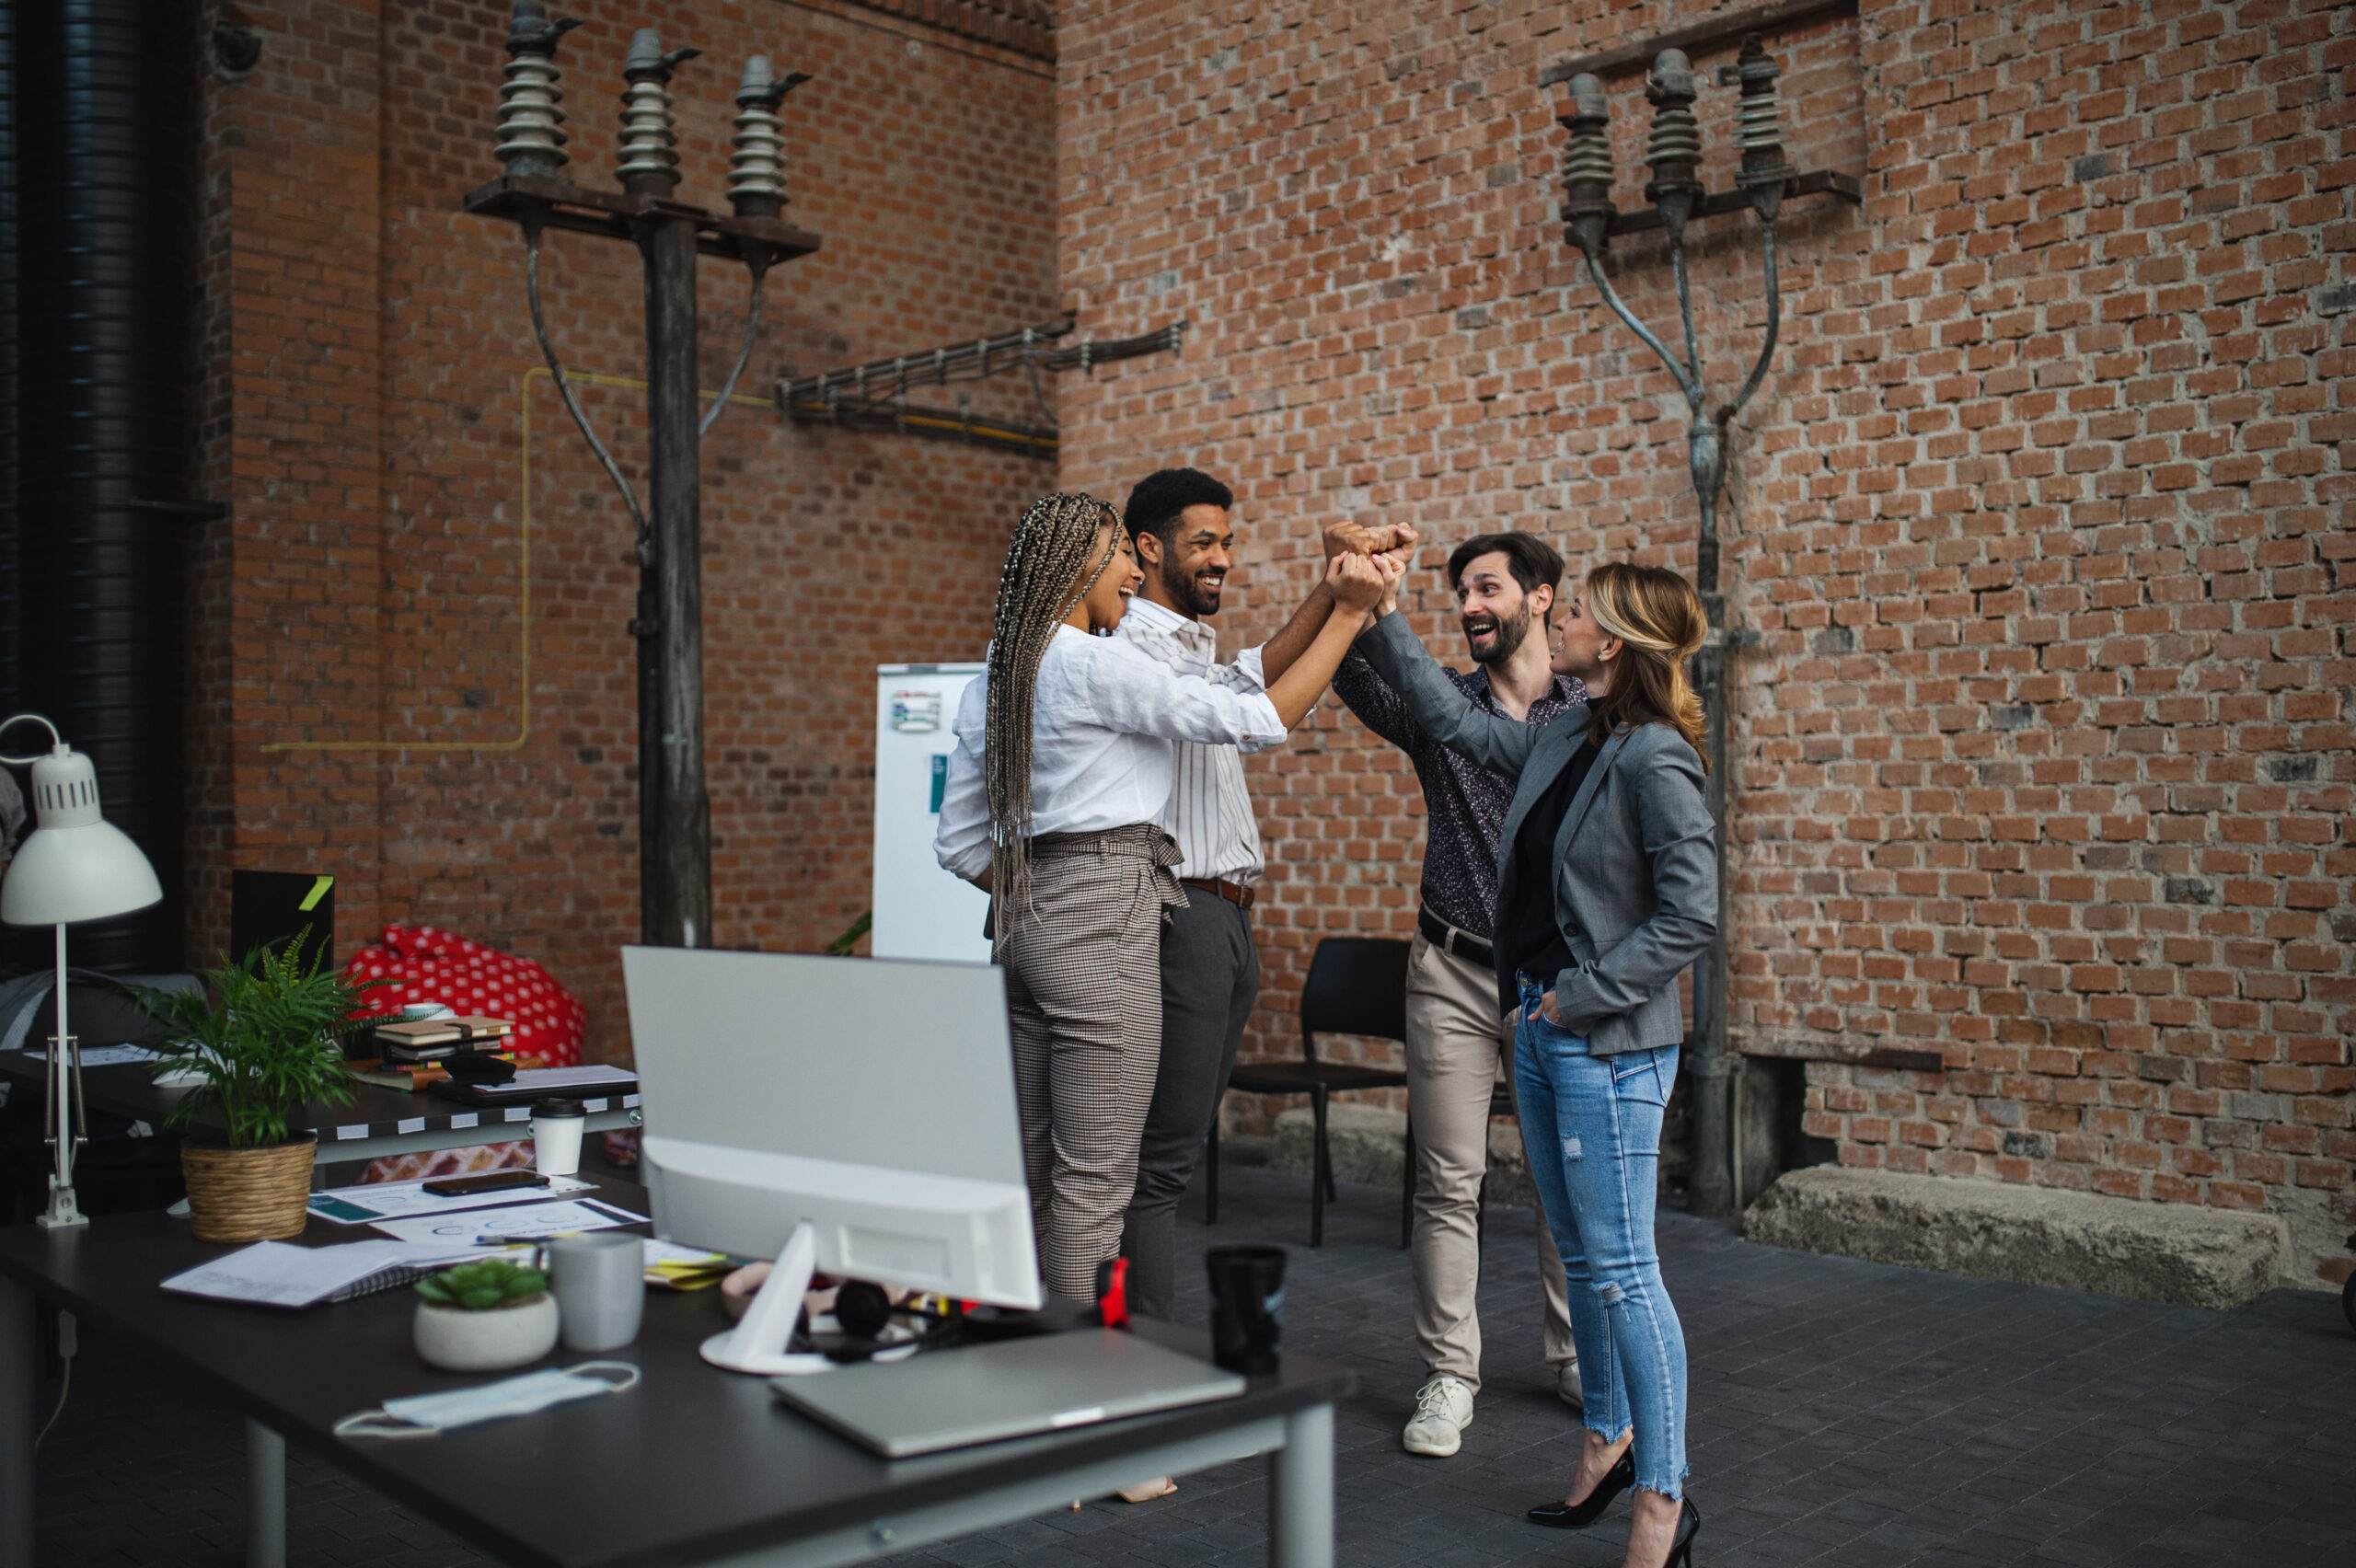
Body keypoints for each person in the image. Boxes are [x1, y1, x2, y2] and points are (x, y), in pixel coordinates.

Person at [934, 491, 1392, 1311]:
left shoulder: (997, 676)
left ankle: (1037, 1362)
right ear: (1081, 563)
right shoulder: (1091, 662)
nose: (1133, 574)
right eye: (1121, 556)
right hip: (1108, 912)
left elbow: (960, 844)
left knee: (1044, 1171)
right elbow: (1257, 719)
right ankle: (1085, 1387)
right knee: (1096, 1185)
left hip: (1023, 928)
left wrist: (1045, 896)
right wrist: (1349, 615)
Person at [1354, 559, 1715, 1568]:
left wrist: (1583, 993)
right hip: (1544, 1028)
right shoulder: (1571, 731)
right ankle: (1602, 1442)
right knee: (1585, 1255)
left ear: (1621, 643)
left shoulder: (1655, 759)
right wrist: (1380, 616)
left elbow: (1692, 914)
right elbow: (1460, 728)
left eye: (1586, 615)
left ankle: (1663, 1495)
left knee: (1624, 1273)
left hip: (1607, 1043)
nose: (1565, 623)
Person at [1110, 468, 1409, 1326]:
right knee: (1159, 1165)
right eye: (1204, 542)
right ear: (1149, 547)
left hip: (1228, 918)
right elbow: (1265, 713)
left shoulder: (1184, 647)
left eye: (1228, 543)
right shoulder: (1133, 649)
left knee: (1165, 1159)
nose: (1223, 560)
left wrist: (1331, 584)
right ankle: (1141, 1374)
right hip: (1182, 914)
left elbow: (1251, 676)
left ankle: (1131, 1355)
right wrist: (1348, 610)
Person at [1330, 532, 1582, 1458]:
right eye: (1458, 592)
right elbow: (1350, 674)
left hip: (1553, 983)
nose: (1469, 605)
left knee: (1564, 1179)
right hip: (1450, 970)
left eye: (1487, 587)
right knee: (1446, 1181)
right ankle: (1448, 1373)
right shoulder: (1439, 706)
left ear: (1542, 597)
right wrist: (1357, 584)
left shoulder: (1584, 709)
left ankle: (1571, 1355)